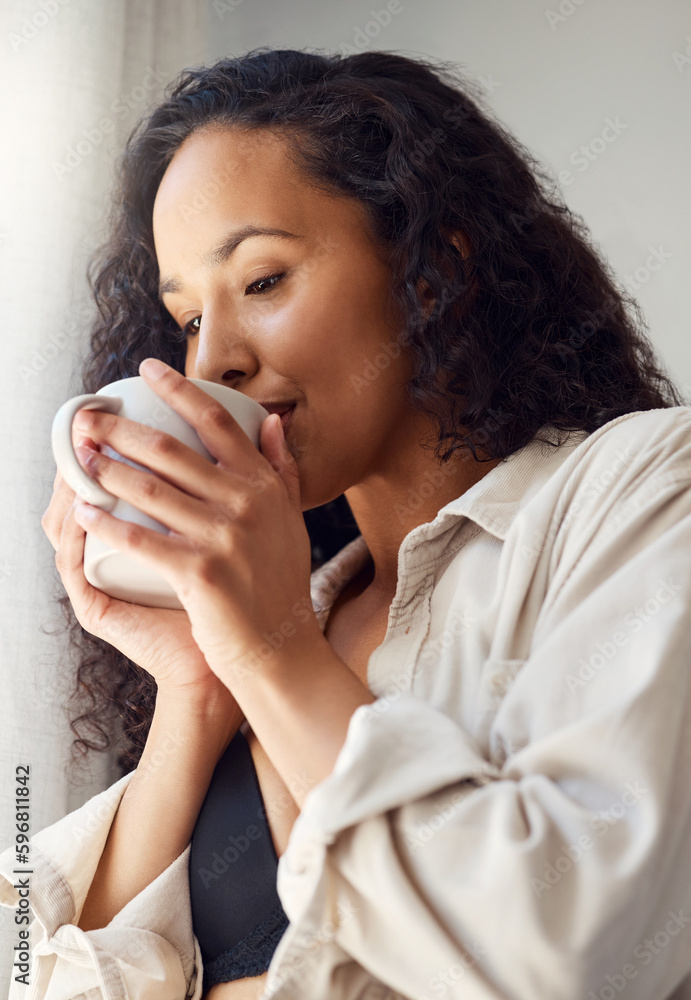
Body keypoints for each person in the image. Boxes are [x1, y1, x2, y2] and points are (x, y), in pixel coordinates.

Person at [2, 46, 691, 1000]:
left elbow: (565, 953)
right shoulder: (289, 618)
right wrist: (202, 685)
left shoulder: (643, 490)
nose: (215, 366)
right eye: (188, 320)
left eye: (263, 280)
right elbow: (30, 975)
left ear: (432, 272)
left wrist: (275, 653)